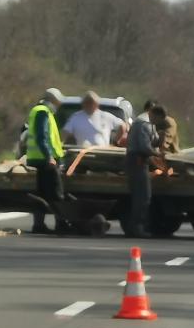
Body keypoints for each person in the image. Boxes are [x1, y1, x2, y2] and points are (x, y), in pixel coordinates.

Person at [25, 88, 67, 234]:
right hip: (44, 159)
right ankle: (61, 224)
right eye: (58, 102)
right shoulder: (43, 112)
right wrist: (49, 156)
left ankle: (38, 225)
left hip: (40, 158)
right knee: (56, 193)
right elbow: (41, 136)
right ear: (53, 100)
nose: (59, 105)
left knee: (42, 194)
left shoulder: (43, 111)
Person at [125, 105, 167, 238]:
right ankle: (137, 227)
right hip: (137, 162)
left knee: (141, 196)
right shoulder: (144, 124)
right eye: (158, 119)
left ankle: (135, 227)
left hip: (139, 162)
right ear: (153, 114)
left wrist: (160, 139)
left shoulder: (148, 124)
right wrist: (158, 154)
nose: (158, 123)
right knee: (143, 197)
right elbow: (144, 147)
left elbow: (152, 141)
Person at [62, 91, 127, 147]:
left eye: (91, 102)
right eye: (86, 102)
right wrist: (61, 144)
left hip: (105, 153)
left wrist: (115, 142)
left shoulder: (105, 116)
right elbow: (65, 132)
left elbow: (122, 126)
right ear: (83, 104)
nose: (88, 105)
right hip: (82, 153)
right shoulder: (76, 117)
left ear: (96, 104)